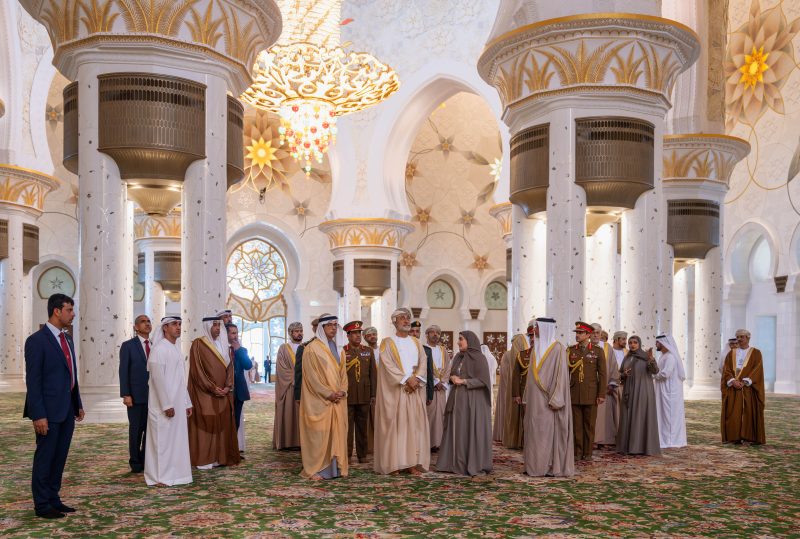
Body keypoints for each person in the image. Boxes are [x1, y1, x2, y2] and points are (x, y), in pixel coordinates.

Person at [24, 294, 84, 518]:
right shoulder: (36, 341)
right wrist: (38, 414)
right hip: (47, 413)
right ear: (57, 311)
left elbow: (72, 374)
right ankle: (41, 505)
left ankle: (53, 498)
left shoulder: (67, 339)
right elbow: (33, 381)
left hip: (67, 410)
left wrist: (77, 404)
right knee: (45, 457)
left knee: (59, 457)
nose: (73, 314)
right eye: (69, 310)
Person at [374, 308, 430, 475]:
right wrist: (406, 379)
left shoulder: (416, 342)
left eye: (408, 318)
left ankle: (411, 464)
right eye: (402, 318)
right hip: (397, 391)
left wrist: (417, 379)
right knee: (397, 427)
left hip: (414, 390)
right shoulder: (387, 342)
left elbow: (423, 361)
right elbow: (388, 364)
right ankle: (394, 464)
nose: (406, 321)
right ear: (394, 322)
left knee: (413, 427)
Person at [436, 331, 493, 476]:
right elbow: (451, 376)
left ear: (470, 340)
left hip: (473, 401)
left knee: (469, 430)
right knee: (457, 430)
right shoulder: (457, 357)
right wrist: (452, 379)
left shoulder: (480, 359)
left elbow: (484, 381)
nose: (458, 342)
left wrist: (464, 381)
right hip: (457, 398)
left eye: (461, 339)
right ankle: (453, 463)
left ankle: (471, 463)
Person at [144, 317, 193, 487]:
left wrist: (186, 403)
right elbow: (158, 380)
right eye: (174, 324)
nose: (178, 327)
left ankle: (175, 474)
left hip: (177, 404)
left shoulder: (174, 349)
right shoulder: (159, 349)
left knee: (175, 441)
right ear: (165, 328)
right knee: (162, 442)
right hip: (163, 406)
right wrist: (166, 404)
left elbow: (180, 380)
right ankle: (159, 477)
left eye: (180, 324)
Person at [299, 314, 348, 480]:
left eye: (336, 325)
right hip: (320, 400)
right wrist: (328, 393)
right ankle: (317, 469)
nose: (334, 328)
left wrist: (342, 390)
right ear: (322, 328)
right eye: (330, 325)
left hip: (338, 400)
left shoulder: (338, 348)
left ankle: (335, 469)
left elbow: (343, 374)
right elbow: (312, 378)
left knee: (336, 433)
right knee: (319, 435)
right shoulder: (311, 349)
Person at [522, 318, 574, 477]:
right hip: (534, 401)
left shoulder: (558, 349)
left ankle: (549, 466)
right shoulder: (535, 348)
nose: (534, 330)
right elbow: (530, 376)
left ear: (545, 328)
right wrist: (526, 397)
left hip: (549, 401)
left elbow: (561, 377)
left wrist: (557, 399)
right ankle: (534, 466)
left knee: (547, 433)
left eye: (536, 327)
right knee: (534, 432)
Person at [188, 316, 239, 469]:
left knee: (222, 424)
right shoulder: (198, 344)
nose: (218, 328)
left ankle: (220, 457)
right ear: (207, 326)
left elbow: (230, 368)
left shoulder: (224, 344)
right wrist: (212, 387)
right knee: (207, 425)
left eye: (219, 325)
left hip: (223, 393)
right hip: (205, 393)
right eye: (215, 325)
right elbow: (197, 370)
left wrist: (228, 386)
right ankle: (205, 458)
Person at [567, 321, 607, 461]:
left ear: (588, 334)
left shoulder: (597, 351)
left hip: (591, 393)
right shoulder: (571, 350)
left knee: (589, 425)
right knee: (576, 425)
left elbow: (602, 374)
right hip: (574, 393)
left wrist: (601, 394)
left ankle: (588, 453)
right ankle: (577, 452)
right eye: (576, 333)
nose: (577, 335)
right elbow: (566, 373)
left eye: (580, 333)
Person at [617, 336, 661, 456]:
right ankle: (627, 447)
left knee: (639, 416)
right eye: (630, 343)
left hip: (642, 391)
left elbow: (655, 371)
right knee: (628, 416)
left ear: (639, 344)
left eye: (635, 342)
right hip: (629, 391)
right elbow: (620, 374)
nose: (632, 345)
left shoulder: (646, 357)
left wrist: (651, 359)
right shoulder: (627, 357)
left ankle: (640, 447)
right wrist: (623, 374)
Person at [119, 314, 152, 473]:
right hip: (135, 396)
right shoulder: (128, 346)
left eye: (148, 321)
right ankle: (135, 462)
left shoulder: (155, 345)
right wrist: (126, 394)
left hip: (153, 397)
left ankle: (145, 459)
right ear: (136, 327)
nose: (147, 324)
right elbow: (123, 371)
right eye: (143, 322)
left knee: (149, 430)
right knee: (136, 430)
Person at [721, 329, 766, 445]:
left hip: (748, 388)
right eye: (738, 337)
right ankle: (734, 437)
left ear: (748, 338)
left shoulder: (756, 353)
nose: (740, 339)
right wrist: (732, 381)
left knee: (749, 412)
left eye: (742, 337)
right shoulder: (731, 353)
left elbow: (758, 369)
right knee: (733, 412)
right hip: (734, 388)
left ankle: (749, 437)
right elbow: (726, 369)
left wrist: (746, 381)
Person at [341, 320, 377, 463]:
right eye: (354, 333)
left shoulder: (368, 351)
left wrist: (373, 394)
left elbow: (373, 374)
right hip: (348, 395)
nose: (357, 336)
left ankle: (362, 455)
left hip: (364, 394)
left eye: (359, 333)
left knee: (363, 427)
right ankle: (347, 455)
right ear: (348, 336)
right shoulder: (343, 351)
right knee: (347, 427)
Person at [654, 335, 687, 449]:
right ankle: (664, 439)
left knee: (669, 416)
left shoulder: (671, 357)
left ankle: (671, 441)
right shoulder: (664, 356)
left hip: (670, 391)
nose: (656, 345)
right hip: (664, 390)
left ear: (663, 343)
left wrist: (653, 376)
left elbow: (665, 373)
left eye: (657, 343)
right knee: (663, 415)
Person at [274, 322, 303, 450]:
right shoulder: (284, 348)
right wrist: (295, 378)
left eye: (301, 330)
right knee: (289, 412)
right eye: (296, 331)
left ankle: (302, 442)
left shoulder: (306, 347)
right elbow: (281, 369)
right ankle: (287, 442)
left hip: (304, 387)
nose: (299, 333)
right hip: (289, 387)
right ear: (290, 333)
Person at [424, 324, 451, 452]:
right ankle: (428, 443)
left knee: (441, 415)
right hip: (430, 387)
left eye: (438, 333)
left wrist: (443, 382)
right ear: (427, 335)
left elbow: (448, 368)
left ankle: (439, 443)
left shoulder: (443, 350)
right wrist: (435, 382)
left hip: (441, 389)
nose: (435, 335)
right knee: (430, 414)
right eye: (432, 332)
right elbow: (425, 369)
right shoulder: (423, 349)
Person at [508, 321, 535, 449]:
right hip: (526, 393)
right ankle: (527, 445)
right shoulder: (523, 354)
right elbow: (516, 376)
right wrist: (516, 394)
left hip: (543, 395)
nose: (532, 339)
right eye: (530, 336)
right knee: (527, 421)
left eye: (535, 335)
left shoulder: (549, 355)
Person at [592, 323, 619, 449]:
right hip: (590, 387)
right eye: (593, 332)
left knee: (604, 416)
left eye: (598, 332)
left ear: (601, 333)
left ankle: (604, 441)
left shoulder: (607, 348)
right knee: (592, 415)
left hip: (605, 387)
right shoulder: (587, 346)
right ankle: (591, 440)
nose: (595, 335)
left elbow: (613, 366)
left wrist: (612, 383)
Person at [227, 324, 252, 456]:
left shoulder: (242, 350)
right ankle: (225, 451)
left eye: (236, 333)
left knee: (236, 421)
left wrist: (239, 351)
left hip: (239, 391)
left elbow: (248, 365)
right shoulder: (222, 349)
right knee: (226, 422)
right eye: (232, 333)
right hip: (226, 391)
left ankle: (233, 451)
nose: (235, 336)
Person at [502, 333, 529, 448]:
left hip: (513, 388)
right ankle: (522, 441)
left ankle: (515, 440)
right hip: (521, 388)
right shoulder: (522, 355)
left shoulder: (511, 354)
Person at [494, 336, 520, 443]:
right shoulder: (508, 354)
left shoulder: (520, 354)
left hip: (515, 388)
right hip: (507, 387)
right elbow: (504, 373)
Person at [412, 320, 436, 410]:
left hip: (422, 388)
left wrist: (430, 394)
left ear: (420, 333)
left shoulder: (427, 350)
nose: (415, 334)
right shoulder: (402, 349)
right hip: (408, 387)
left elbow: (430, 372)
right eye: (412, 331)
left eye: (417, 331)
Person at [294, 317, 320, 402]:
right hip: (312, 391)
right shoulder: (304, 347)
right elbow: (299, 372)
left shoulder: (334, 347)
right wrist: (298, 394)